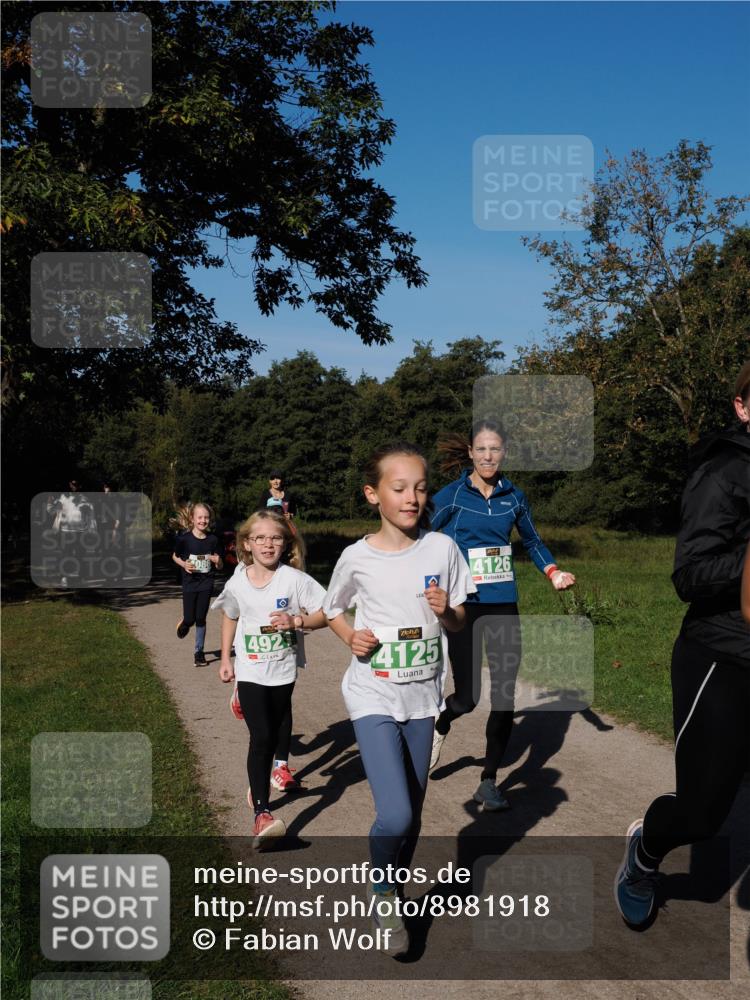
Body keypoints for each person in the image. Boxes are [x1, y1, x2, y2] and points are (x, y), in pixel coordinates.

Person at [324, 442, 475, 956]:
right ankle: (383, 891)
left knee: (412, 812)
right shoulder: (356, 557)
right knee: (397, 815)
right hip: (372, 694)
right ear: (373, 494)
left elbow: (459, 620)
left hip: (424, 699)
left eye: (420, 487)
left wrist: (445, 612)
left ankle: (393, 886)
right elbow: (332, 608)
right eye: (399, 487)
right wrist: (350, 637)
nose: (412, 497)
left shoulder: (442, 549)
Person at [615, 362, 750, 928]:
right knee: (699, 813)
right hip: (724, 655)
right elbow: (689, 575)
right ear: (744, 406)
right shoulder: (725, 470)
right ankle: (645, 854)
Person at [429, 420, 576, 810]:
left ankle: (488, 780)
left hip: (502, 602)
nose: (488, 456)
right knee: (468, 698)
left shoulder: (515, 498)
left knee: (504, 695)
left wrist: (553, 571)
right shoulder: (452, 496)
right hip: (464, 604)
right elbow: (422, 536)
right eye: (482, 449)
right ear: (471, 454)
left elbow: (532, 540)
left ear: (503, 454)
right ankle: (443, 720)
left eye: (495, 450)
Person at [216, 510, 327, 849]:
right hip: (249, 669)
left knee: (278, 728)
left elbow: (326, 614)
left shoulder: (294, 580)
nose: (268, 543)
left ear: (285, 543)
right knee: (261, 735)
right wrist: (224, 659)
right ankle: (262, 814)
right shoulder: (237, 582)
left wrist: (296, 622)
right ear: (247, 544)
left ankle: (258, 781)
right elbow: (230, 617)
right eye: (260, 538)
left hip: (282, 670)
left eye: (276, 538)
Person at [172, 502, 222, 666]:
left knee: (201, 618)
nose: (203, 520)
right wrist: (184, 565)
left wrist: (217, 560)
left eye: (206, 517)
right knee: (190, 618)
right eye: (199, 517)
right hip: (189, 583)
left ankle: (199, 653)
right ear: (192, 519)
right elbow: (174, 556)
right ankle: (185, 622)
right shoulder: (184, 539)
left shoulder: (213, 539)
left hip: (206, 583)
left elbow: (220, 565)